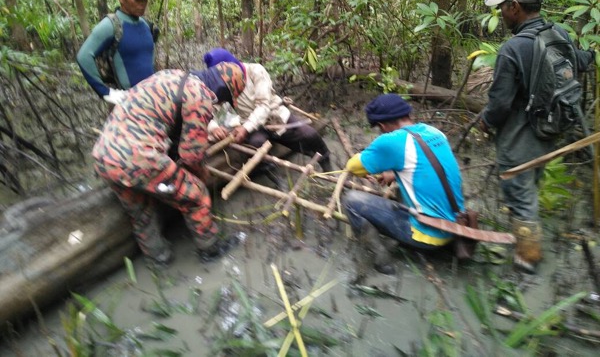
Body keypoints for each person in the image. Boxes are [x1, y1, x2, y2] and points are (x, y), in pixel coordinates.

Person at [479, 0, 596, 273]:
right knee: (530, 183)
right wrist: (592, 52)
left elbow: (500, 104)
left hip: (523, 132)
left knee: (519, 191)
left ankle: (528, 260)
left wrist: (485, 122)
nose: (501, 12)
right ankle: (528, 239)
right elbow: (580, 62)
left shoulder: (513, 48)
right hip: (553, 126)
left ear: (515, 7)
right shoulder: (558, 32)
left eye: (503, 7)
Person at [92, 62, 246, 267]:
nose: (222, 102)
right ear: (224, 88)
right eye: (226, 98)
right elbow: (191, 157)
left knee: (141, 210)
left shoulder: (173, 75)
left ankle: (158, 260)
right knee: (196, 195)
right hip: (137, 158)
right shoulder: (200, 96)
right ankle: (210, 248)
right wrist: (202, 176)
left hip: (104, 156)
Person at [343, 94, 464, 276]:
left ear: (382, 126)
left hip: (429, 237)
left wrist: (378, 166)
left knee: (351, 200)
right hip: (457, 226)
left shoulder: (391, 141)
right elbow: (428, 166)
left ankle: (381, 260)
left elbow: (353, 167)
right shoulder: (434, 132)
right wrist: (394, 172)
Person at [203, 48, 333, 189]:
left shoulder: (255, 71)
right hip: (249, 123)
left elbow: (263, 106)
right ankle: (278, 180)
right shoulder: (222, 84)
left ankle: (327, 166)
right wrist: (213, 127)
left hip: (274, 114)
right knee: (256, 145)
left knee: (310, 134)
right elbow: (206, 111)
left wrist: (246, 128)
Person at [77, 0, 157, 105]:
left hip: (153, 99)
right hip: (128, 103)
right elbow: (84, 56)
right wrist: (105, 92)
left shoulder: (145, 24)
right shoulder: (111, 25)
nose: (143, 3)